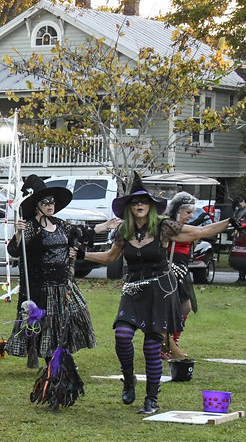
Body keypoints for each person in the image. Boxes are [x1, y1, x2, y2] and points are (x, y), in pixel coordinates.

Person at [82, 177, 232, 415]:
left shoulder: (163, 226)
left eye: (143, 201)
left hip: (160, 291)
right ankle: (129, 379)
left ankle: (151, 399)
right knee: (122, 335)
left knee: (152, 346)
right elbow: (111, 257)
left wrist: (231, 221)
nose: (139, 205)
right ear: (130, 208)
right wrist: (83, 254)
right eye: (134, 202)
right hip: (133, 289)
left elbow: (201, 232)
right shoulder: (124, 230)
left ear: (150, 205)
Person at [4, 175, 96, 368]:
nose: (50, 205)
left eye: (52, 202)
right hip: (43, 286)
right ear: (37, 205)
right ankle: (53, 359)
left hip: (64, 284)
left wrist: (106, 226)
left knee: (76, 314)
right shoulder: (30, 227)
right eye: (45, 202)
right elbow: (14, 250)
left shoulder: (60, 224)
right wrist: (19, 233)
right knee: (48, 324)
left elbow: (81, 234)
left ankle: (64, 354)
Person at [161, 192, 199, 359]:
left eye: (192, 212)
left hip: (182, 270)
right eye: (187, 212)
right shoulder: (169, 226)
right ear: (177, 210)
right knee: (169, 309)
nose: (190, 216)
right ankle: (165, 346)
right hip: (169, 270)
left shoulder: (187, 227)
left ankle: (173, 342)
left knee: (185, 307)